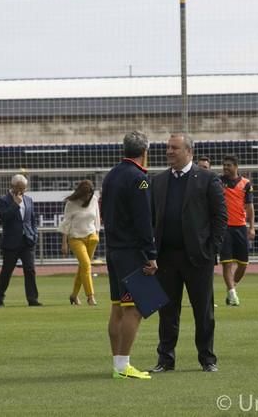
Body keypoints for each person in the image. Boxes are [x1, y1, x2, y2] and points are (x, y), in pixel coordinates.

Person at [149, 133, 228, 373]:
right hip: (166, 258)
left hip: (197, 258)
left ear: (189, 151)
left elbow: (220, 217)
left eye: (174, 148)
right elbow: (151, 217)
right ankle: (165, 359)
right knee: (167, 312)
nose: (169, 152)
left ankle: (207, 359)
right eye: (167, 148)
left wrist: (211, 249)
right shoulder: (158, 181)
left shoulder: (207, 179)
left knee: (203, 311)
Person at [101, 131, 157, 380]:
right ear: (145, 151)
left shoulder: (112, 175)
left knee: (118, 307)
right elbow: (143, 219)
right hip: (132, 251)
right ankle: (124, 365)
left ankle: (117, 363)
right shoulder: (140, 178)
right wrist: (151, 253)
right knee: (135, 308)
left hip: (113, 249)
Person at [0, 175, 42, 307]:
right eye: (20, 188)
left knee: (30, 269)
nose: (22, 191)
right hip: (11, 241)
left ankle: (32, 299)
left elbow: (32, 220)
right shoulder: (3, 200)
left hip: (27, 240)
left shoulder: (29, 200)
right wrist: (15, 204)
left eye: (24, 188)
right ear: (13, 186)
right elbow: (4, 218)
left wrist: (34, 234)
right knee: (7, 271)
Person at [57, 179, 100, 306]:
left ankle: (74, 295)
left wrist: (97, 234)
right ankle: (90, 297)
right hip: (75, 238)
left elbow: (97, 218)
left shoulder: (94, 199)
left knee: (82, 268)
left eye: (89, 194)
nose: (87, 197)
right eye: (85, 194)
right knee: (86, 265)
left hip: (91, 237)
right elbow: (66, 223)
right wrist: (64, 242)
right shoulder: (71, 203)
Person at [219, 155, 255, 306]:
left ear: (236, 166)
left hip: (240, 226)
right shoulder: (218, 181)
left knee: (243, 263)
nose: (225, 168)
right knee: (227, 263)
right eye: (224, 165)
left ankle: (231, 289)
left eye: (228, 165)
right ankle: (233, 294)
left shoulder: (246, 184)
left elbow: (250, 207)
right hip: (224, 227)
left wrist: (252, 226)